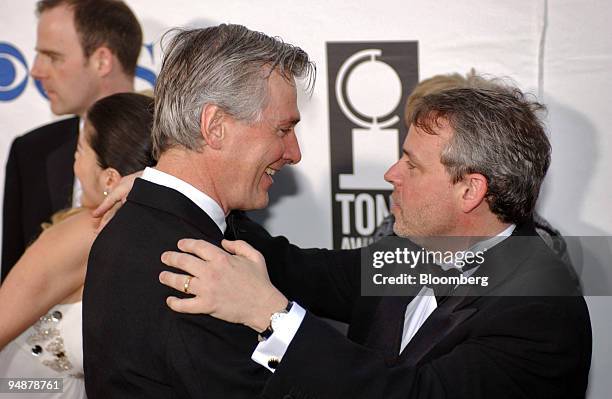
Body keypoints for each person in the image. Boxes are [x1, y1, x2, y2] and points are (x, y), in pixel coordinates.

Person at [158, 86, 591, 398]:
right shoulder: (410, 256)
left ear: (470, 190)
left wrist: (272, 316)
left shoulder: (540, 307)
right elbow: (295, 268)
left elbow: (414, 393)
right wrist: (188, 189)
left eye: (412, 165)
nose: (391, 174)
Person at [82, 24, 315, 399]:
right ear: (216, 127)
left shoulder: (164, 224)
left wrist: (443, 251)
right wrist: (277, 318)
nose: (294, 153)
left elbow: (333, 276)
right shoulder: (191, 264)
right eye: (283, 129)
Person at [0, 93, 155, 399]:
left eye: (80, 149)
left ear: (110, 177)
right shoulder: (84, 231)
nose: (74, 162)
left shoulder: (125, 236)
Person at [1, 0, 142, 281]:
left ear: (102, 60)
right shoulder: (30, 151)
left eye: (52, 56)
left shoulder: (171, 150)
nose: (36, 71)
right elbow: (11, 276)